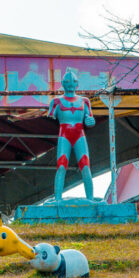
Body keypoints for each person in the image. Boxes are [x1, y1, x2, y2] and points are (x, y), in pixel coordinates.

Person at [47, 70, 96, 201]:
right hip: (65, 135)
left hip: (79, 134)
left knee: (85, 165)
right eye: (67, 82)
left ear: (77, 84)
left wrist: (90, 121)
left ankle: (90, 199)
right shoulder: (56, 101)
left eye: (73, 81)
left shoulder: (84, 101)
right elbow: (50, 115)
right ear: (63, 83)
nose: (70, 84)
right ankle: (58, 199)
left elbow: (90, 119)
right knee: (61, 165)